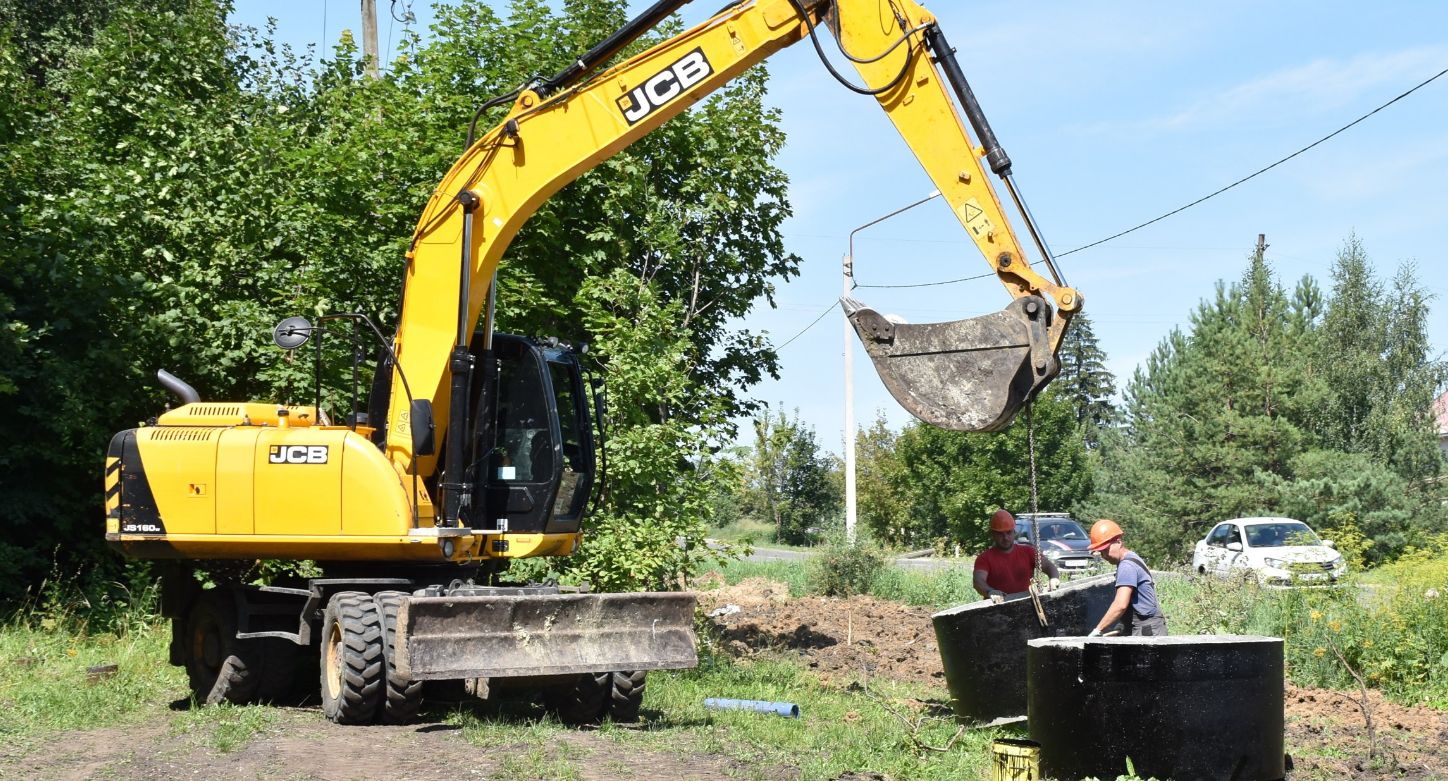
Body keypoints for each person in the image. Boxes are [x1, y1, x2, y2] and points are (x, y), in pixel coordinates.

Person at [1085, 519, 1168, 636]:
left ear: (1118, 542)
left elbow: (1120, 604)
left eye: (1106, 550)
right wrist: (1124, 624)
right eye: (1100, 551)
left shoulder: (1126, 566)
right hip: (1148, 627)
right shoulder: (1132, 558)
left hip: (1147, 631)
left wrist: (1098, 630)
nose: (1104, 555)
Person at [973, 509, 1060, 603]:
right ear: (993, 534)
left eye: (1008, 532)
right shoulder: (984, 558)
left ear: (1014, 532)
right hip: (998, 609)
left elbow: (1049, 566)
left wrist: (1054, 578)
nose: (1005, 538)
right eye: (1000, 534)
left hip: (1027, 605)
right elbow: (978, 581)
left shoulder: (1028, 551)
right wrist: (990, 591)